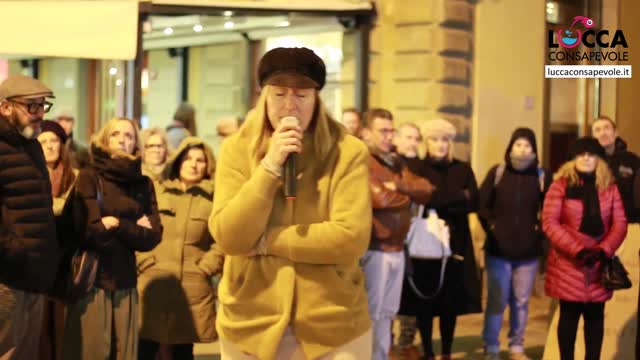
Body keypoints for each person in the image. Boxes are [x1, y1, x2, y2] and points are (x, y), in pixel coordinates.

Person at [209, 47, 373, 360]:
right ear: (263, 97)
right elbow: (230, 237)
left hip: (333, 324)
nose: (289, 106)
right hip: (250, 322)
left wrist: (266, 241)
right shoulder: (236, 149)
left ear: (317, 100)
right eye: (279, 93)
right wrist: (270, 167)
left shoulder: (347, 151)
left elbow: (351, 237)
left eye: (301, 95)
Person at [61, 117, 162, 360]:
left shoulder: (143, 184)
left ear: (135, 143)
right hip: (93, 280)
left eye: (129, 136)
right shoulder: (89, 177)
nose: (122, 140)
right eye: (116, 134)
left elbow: (152, 237)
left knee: (124, 354)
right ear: (105, 139)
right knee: (91, 353)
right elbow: (89, 231)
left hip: (126, 282)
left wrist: (116, 223)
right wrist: (132, 227)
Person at [397, 118, 482, 360]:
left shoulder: (463, 168)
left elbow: (474, 201)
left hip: (456, 243)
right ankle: (428, 351)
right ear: (426, 142)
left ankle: (445, 351)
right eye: (434, 139)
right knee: (425, 301)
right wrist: (458, 196)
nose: (440, 145)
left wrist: (441, 197)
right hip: (427, 241)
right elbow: (426, 199)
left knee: (450, 303)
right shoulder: (418, 168)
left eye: (444, 140)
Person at [138, 137, 223, 360]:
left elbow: (222, 240)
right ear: (177, 162)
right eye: (188, 159)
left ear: (208, 165)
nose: (193, 164)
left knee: (182, 352)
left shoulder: (214, 198)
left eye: (200, 160)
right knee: (145, 348)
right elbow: (138, 226)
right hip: (153, 281)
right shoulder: (157, 190)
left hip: (191, 286)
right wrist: (144, 261)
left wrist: (206, 266)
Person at [542, 137, 627, 360]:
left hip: (599, 263)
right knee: (569, 317)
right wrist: (577, 250)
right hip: (568, 263)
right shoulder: (560, 185)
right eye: (581, 154)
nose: (587, 158)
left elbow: (619, 223)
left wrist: (603, 250)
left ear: (600, 159)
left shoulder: (609, 187)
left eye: (591, 154)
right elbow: (550, 222)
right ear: (573, 159)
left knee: (596, 318)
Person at [361, 109, 432, 360]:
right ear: (366, 132)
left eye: (392, 131)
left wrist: (400, 187)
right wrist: (405, 197)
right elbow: (378, 198)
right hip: (374, 247)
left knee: (388, 313)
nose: (389, 136)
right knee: (372, 312)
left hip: (397, 247)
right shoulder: (362, 160)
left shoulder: (395, 162)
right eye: (383, 131)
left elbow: (425, 189)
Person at [0, 75, 60, 359]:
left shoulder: (31, 146)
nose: (39, 114)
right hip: (7, 277)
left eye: (42, 106)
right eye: (31, 106)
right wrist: (15, 252)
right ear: (5, 107)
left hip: (34, 274)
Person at [478, 128, 550, 360]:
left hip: (528, 252)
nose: (523, 149)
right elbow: (482, 205)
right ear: (510, 147)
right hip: (498, 249)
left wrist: (540, 233)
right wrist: (492, 227)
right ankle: (491, 346)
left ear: (534, 149)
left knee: (521, 302)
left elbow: (550, 209)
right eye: (518, 145)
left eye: (527, 145)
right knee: (497, 300)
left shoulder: (540, 175)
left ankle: (516, 346)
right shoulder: (498, 172)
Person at [37, 120, 79, 360]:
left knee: (65, 328)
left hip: (67, 264)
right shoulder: (31, 177)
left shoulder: (76, 178)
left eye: (54, 141)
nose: (50, 146)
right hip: (38, 264)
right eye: (44, 141)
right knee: (39, 330)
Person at [391, 122, 423, 359]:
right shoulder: (390, 163)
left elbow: (427, 190)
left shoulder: (420, 167)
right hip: (391, 237)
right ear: (397, 140)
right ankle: (389, 341)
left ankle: (406, 341)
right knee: (388, 294)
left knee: (410, 292)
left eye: (416, 138)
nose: (412, 142)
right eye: (408, 137)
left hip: (415, 238)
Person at [591, 116, 639, 223]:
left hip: (628, 222)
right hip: (596, 224)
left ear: (616, 132)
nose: (603, 133)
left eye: (607, 128)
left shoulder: (632, 160)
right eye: (598, 130)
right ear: (593, 136)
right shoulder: (587, 162)